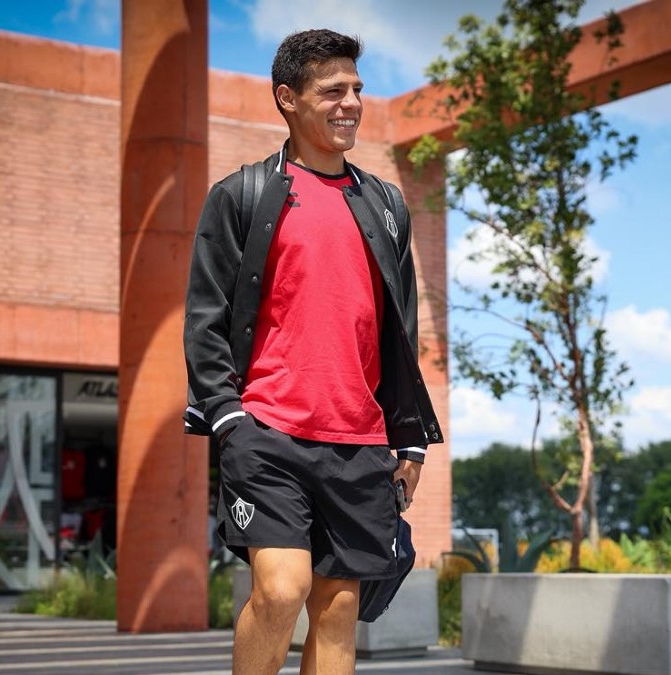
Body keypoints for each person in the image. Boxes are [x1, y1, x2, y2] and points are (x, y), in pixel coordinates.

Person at [182, 29, 442, 675]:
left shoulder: (384, 206)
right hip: (266, 429)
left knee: (336, 611)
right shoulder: (241, 196)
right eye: (333, 90)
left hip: (358, 440)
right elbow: (205, 316)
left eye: (357, 89)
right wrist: (226, 417)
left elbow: (398, 328)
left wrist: (407, 438)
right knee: (281, 588)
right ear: (287, 99)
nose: (351, 101)